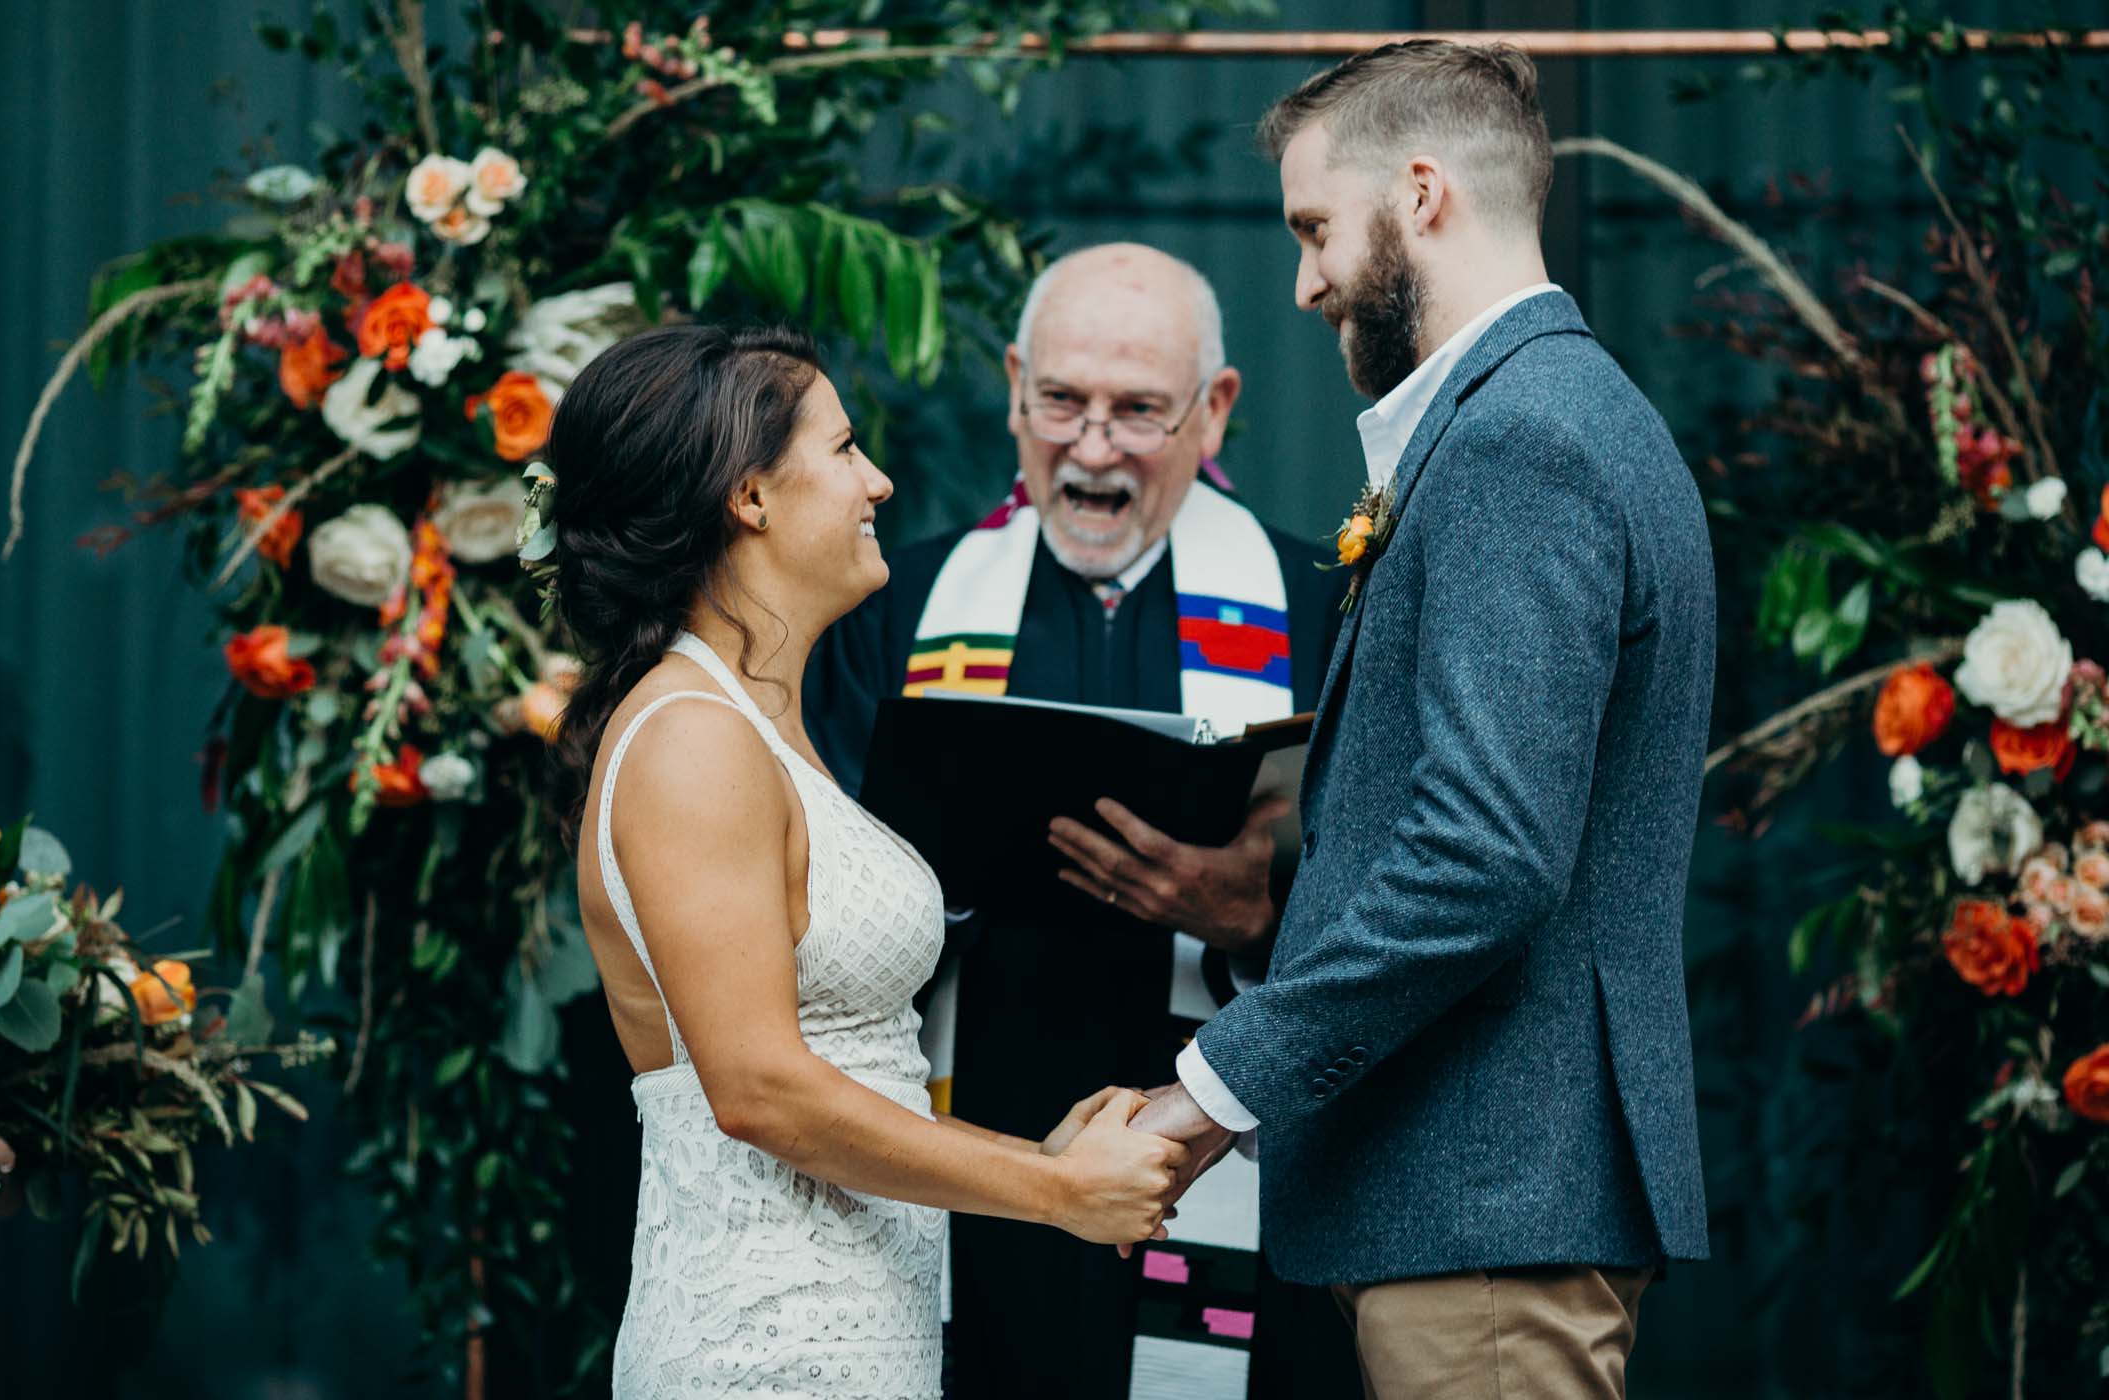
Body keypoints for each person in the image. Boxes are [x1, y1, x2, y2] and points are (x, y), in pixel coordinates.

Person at [1130, 41, 1718, 1399]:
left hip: (1490, 1194)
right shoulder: (1560, 411)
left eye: (1315, 227)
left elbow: (1487, 855)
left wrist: (1214, 1088)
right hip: (1485, 1194)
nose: (1305, 280)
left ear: (1423, 190)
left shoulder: (1522, 439)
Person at [547, 324, 1187, 1399]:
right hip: (766, 1348)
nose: (879, 480)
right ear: (749, 495)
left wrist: (1044, 1150)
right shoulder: (691, 734)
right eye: (844, 449)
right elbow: (755, 1086)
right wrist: (1054, 1187)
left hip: (851, 1332)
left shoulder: (755, 720)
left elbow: (852, 1066)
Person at [806, 244, 1359, 1397]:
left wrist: (1259, 907)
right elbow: (819, 873)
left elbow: (1396, 903)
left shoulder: (1321, 605)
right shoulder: (892, 607)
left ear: (1215, 410)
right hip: (985, 1133)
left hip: (1223, 1126)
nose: (1092, 448)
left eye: (1138, 411)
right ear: (1013, 383)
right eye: (1060, 400)